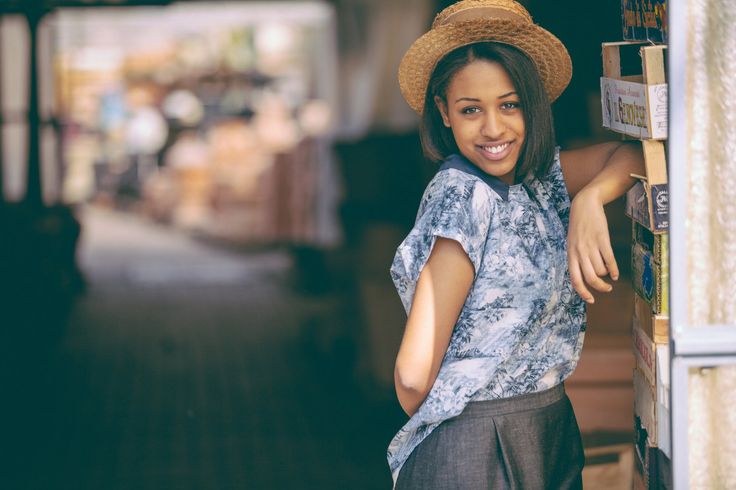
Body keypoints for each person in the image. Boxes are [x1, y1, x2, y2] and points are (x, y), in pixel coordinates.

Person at [387, 1, 646, 488]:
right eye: (470, 110)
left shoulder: (539, 179)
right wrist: (466, 429)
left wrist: (590, 200)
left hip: (545, 425)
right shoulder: (461, 196)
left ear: (534, 104)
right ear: (443, 111)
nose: (493, 128)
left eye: (509, 104)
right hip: (476, 442)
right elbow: (412, 376)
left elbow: (631, 152)